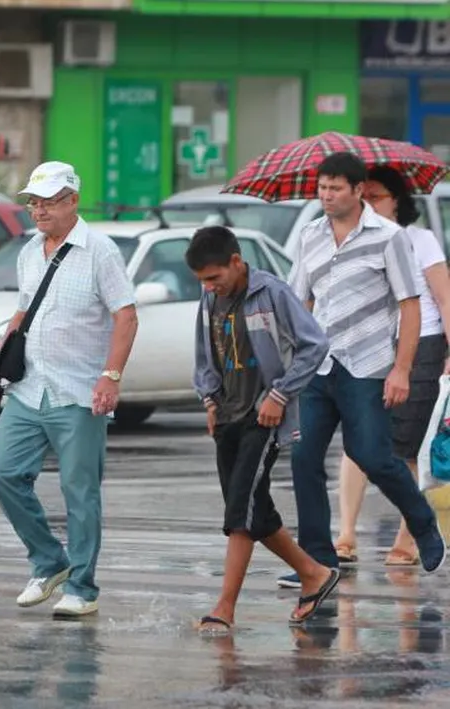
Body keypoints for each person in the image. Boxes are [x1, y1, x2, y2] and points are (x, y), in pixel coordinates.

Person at [280, 151, 446, 589]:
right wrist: (290, 363)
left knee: (372, 455)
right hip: (318, 366)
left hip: (368, 367)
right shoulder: (311, 236)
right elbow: (300, 302)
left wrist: (402, 370)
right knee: (303, 458)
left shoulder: (389, 237)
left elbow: (410, 306)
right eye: (322, 188)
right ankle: (317, 560)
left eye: (336, 188)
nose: (327, 196)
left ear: (358, 191)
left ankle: (422, 523)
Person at [0, 161, 139, 618]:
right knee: (3, 474)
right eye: (33, 202)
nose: (38, 210)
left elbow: (126, 316)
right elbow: (22, 312)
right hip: (29, 387)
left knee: (80, 491)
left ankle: (83, 588)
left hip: (78, 392)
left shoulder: (100, 251)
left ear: (73, 200)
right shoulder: (29, 251)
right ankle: (50, 561)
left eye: (48, 201)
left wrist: (110, 376)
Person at [186, 225, 339, 633]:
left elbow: (315, 345)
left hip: (264, 418)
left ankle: (224, 607)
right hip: (228, 416)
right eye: (202, 280)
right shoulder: (209, 297)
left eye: (215, 277)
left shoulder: (273, 293)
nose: (209, 287)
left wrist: (280, 395)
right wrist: (209, 399)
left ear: (237, 262)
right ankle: (314, 574)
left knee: (240, 511)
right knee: (256, 511)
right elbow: (205, 353)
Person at [333, 166, 450, 567]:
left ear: (398, 199)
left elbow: (445, 299)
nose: (370, 204)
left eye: (378, 196)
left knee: (406, 445)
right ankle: (345, 534)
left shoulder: (421, 241)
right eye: (365, 196)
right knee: (356, 442)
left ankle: (408, 537)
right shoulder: (353, 241)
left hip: (422, 347)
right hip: (367, 347)